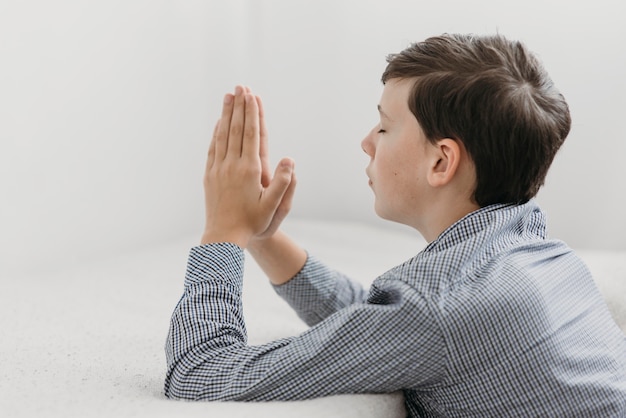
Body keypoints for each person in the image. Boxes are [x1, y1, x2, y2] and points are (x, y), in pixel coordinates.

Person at [164, 33, 626, 416]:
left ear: (441, 161)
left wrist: (221, 232)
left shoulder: (437, 309)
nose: (366, 142)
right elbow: (380, 323)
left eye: (384, 127)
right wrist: (261, 237)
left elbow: (201, 373)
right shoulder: (546, 256)